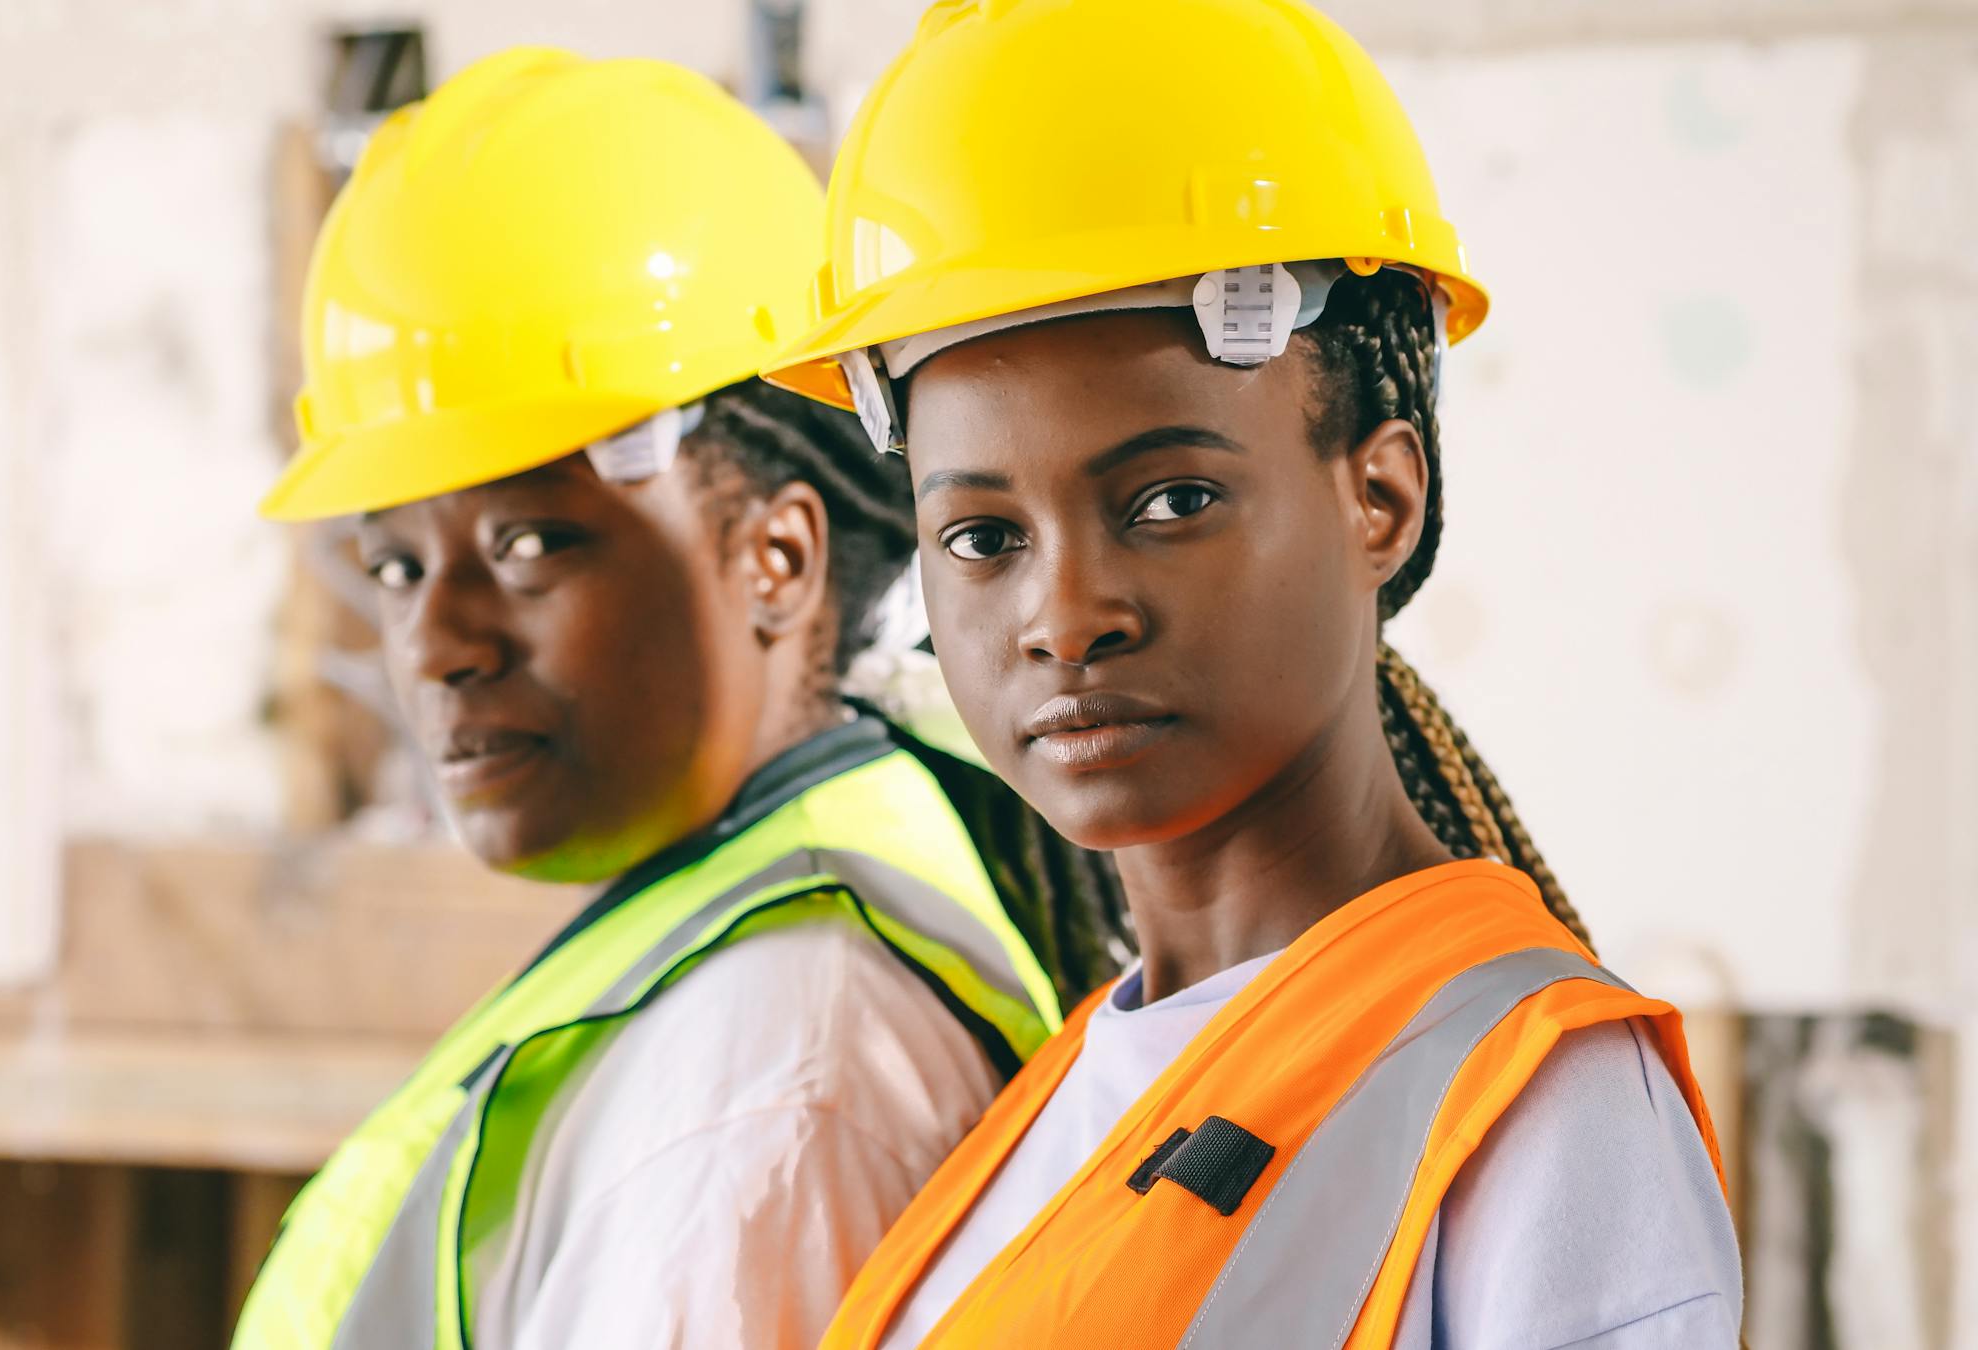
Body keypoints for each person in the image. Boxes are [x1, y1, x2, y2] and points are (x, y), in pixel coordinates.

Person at [759, 1, 1744, 1345]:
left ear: (1381, 499)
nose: (1065, 614)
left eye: (1169, 500)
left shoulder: (1534, 1111)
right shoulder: (1056, 1109)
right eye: (984, 536)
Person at [229, 47, 1128, 1350]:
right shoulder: (721, 939)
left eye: (533, 543)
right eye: (396, 562)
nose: (437, 640)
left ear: (779, 553)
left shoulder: (777, 1060)